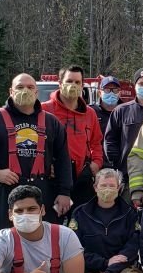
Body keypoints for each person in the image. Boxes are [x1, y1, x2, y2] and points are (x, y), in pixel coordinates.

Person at [0, 74, 73, 242]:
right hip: (3, 192)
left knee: (44, 242)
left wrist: (64, 192)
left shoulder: (52, 122)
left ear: (36, 92)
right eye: (20, 87)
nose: (25, 91)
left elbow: (63, 159)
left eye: (30, 87)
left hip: (42, 191)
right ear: (11, 91)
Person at [41, 65, 104, 210]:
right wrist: (45, 165)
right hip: (53, 177)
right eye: (69, 81)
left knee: (81, 223)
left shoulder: (90, 113)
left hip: (82, 177)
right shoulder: (45, 110)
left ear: (82, 85)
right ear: (60, 83)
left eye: (77, 82)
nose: (73, 86)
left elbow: (96, 143)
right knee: (52, 224)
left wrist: (95, 164)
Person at [104, 68, 143, 182]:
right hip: (127, 175)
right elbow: (110, 141)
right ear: (135, 86)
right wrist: (118, 164)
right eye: (141, 84)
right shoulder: (121, 111)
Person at [89, 75, 122, 140]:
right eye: (107, 89)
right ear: (99, 93)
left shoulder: (125, 111)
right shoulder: (92, 112)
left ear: (119, 93)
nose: (111, 93)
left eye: (115, 90)